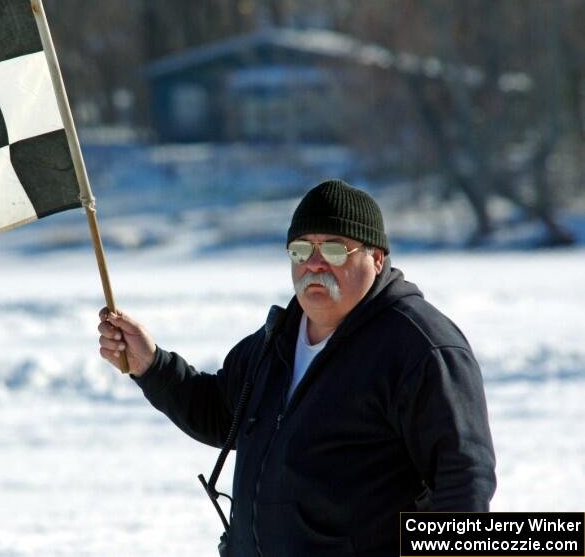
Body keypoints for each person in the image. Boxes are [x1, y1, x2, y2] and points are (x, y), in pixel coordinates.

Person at [97, 179, 496, 557]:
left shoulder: (418, 348)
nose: (315, 264)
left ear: (376, 258)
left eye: (335, 250)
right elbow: (221, 414)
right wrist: (150, 365)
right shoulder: (278, 339)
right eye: (301, 250)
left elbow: (464, 483)